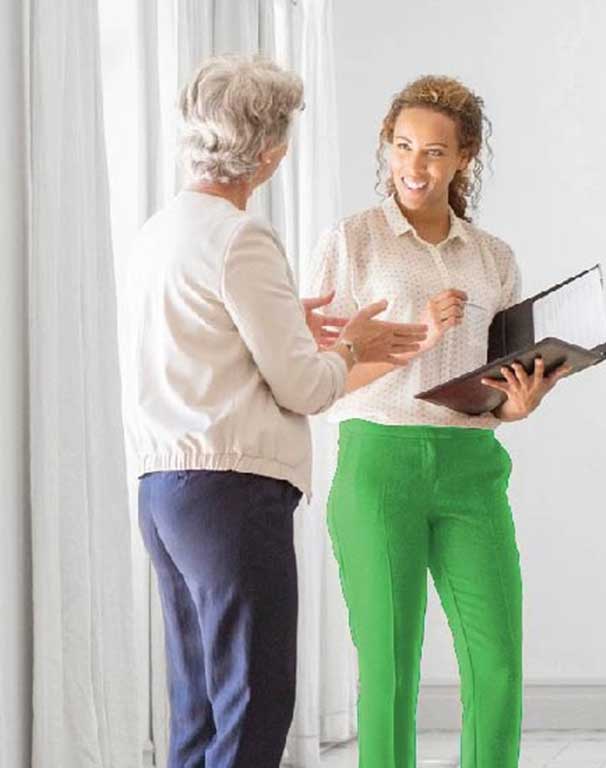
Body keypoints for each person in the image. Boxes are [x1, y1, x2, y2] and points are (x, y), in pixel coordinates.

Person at [121, 54, 426, 768]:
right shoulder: (241, 236)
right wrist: (351, 346)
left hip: (165, 487)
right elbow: (307, 389)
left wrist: (291, 320)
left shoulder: (161, 230)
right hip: (230, 490)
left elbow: (207, 339)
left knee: (199, 705)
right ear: (268, 151)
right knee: (255, 703)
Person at [307, 74, 568, 768]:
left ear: (464, 158)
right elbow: (319, 384)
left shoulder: (493, 257)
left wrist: (520, 401)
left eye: (432, 152)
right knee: (391, 672)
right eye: (401, 147)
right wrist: (415, 342)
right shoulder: (351, 242)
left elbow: (496, 395)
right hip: (377, 463)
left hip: (472, 470)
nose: (413, 167)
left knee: (499, 668)